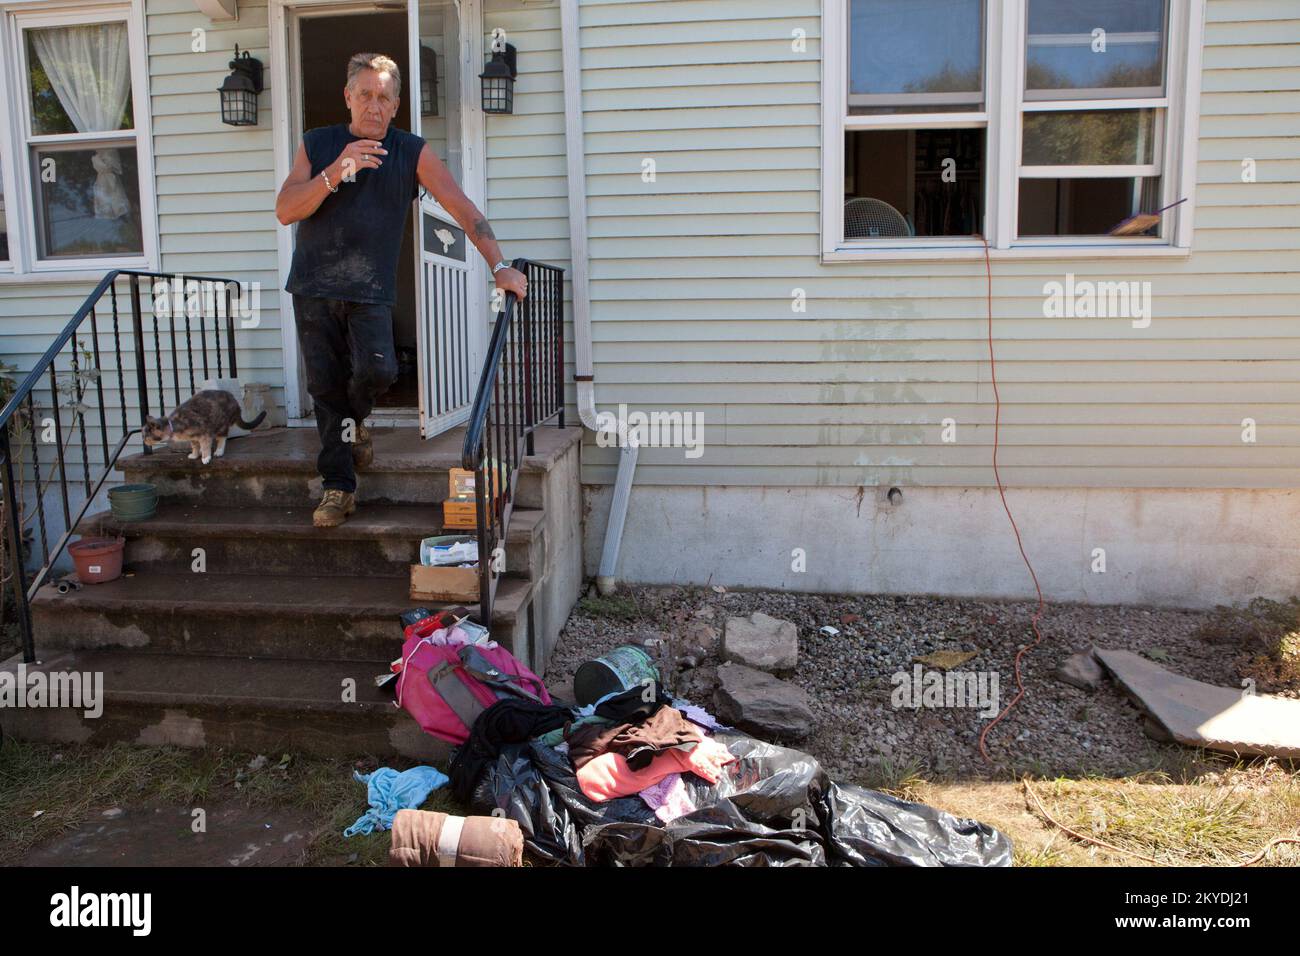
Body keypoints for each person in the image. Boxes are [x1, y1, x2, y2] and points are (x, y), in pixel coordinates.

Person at [275, 52, 526, 528]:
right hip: (312, 286)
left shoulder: (411, 151)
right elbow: (286, 209)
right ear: (349, 97)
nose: (374, 105)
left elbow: (461, 206)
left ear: (396, 106)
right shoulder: (317, 143)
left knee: (380, 371)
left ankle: (356, 426)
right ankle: (338, 487)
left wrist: (500, 265)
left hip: (370, 289)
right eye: (366, 95)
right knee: (325, 389)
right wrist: (336, 171)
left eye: (385, 98)